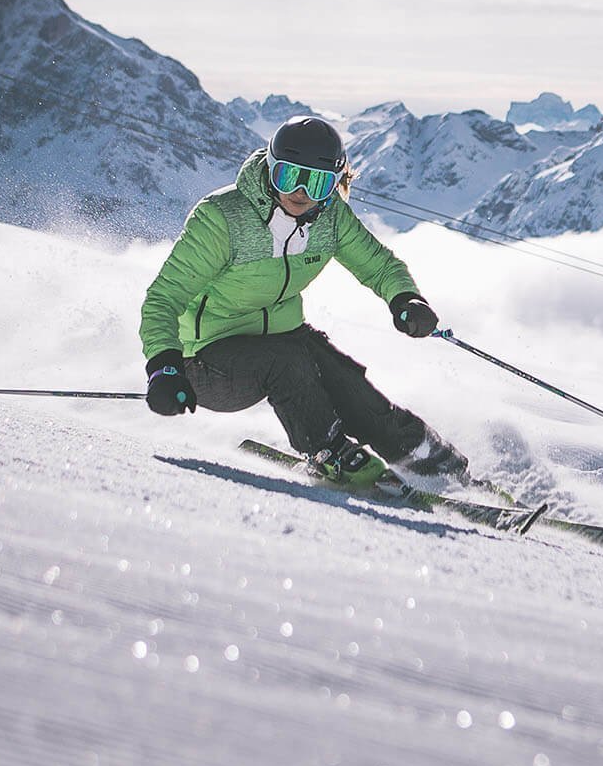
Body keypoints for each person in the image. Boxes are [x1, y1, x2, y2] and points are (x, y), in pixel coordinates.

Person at [138, 116, 467, 489]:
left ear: (333, 183)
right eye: (288, 176)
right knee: (287, 363)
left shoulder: (330, 218)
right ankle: (328, 453)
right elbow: (164, 298)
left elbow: (378, 265)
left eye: (317, 181)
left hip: (283, 338)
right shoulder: (222, 219)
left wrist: (406, 298)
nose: (300, 192)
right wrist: (163, 367)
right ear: (269, 168)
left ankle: (435, 464)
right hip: (202, 363)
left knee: (350, 386)